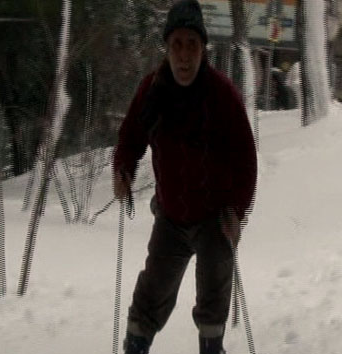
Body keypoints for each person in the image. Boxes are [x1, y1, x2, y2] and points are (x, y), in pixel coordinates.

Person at [112, 1, 257, 353]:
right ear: (167, 47)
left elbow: (245, 159)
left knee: (213, 291)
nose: (184, 54)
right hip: (171, 215)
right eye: (177, 43)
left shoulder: (221, 94)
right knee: (151, 290)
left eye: (192, 44)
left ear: (203, 48)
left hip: (214, 216)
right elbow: (131, 136)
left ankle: (212, 348)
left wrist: (237, 211)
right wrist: (123, 169)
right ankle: (135, 346)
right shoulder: (152, 90)